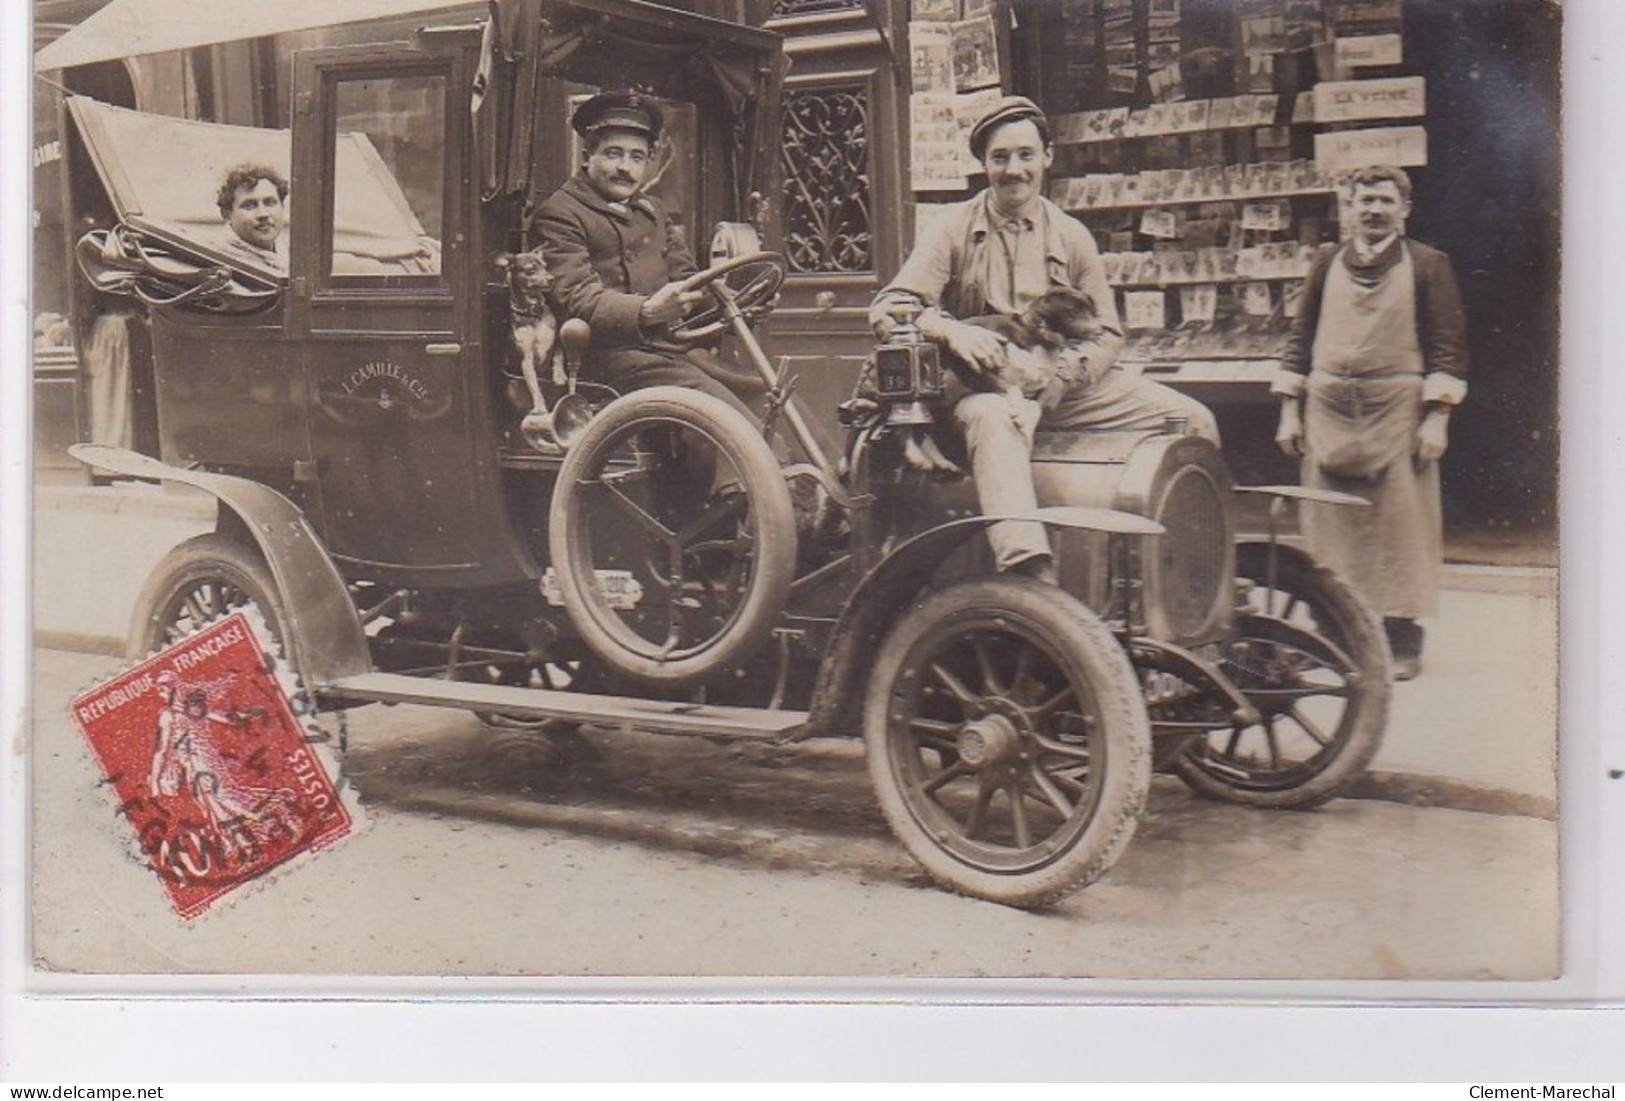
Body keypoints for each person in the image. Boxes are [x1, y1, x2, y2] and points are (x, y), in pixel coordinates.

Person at [869, 95, 1217, 583]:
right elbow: (888, 308)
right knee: (994, 419)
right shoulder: (951, 229)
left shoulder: (1071, 236)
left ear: (1047, 157)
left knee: (1193, 418)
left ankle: (1195, 572)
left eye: (1026, 155)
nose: (1014, 170)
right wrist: (951, 331)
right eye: (1000, 158)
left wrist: (1061, 377)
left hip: (1063, 388)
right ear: (984, 164)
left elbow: (1108, 336)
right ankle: (1029, 572)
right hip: (981, 389)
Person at [1273, 164, 1468, 681]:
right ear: (1349, 209)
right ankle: (1331, 632)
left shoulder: (1429, 265)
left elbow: (1448, 347)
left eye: (1385, 201)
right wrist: (1290, 409)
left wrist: (1437, 419)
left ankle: (1402, 641)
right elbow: (1300, 338)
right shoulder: (1325, 262)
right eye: (1364, 202)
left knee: (1401, 527)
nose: (1374, 211)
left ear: (1404, 209)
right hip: (1327, 412)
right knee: (1330, 525)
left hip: (1396, 413)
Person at [535, 91, 759, 420]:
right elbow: (576, 297)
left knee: (762, 392)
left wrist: (740, 304)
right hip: (605, 359)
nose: (625, 168)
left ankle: (815, 470)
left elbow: (688, 279)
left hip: (667, 350)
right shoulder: (560, 213)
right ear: (587, 156)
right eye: (614, 154)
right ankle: (759, 472)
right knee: (713, 410)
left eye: (637, 157)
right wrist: (646, 311)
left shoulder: (652, 210)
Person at [215, 163, 288, 272]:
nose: (263, 214)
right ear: (226, 214)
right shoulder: (218, 259)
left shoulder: (290, 254)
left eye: (270, 203)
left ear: (282, 206)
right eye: (249, 205)